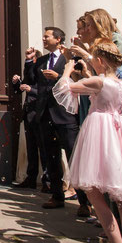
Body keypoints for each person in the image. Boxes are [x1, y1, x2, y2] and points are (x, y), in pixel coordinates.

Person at [58, 41, 122, 243]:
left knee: (94, 192)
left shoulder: (98, 81)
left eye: (94, 58)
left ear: (101, 60)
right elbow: (101, 91)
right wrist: (88, 72)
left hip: (100, 132)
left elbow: (64, 89)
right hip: (119, 133)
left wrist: (68, 69)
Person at [12, 27, 88, 212]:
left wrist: (58, 78)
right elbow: (30, 81)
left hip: (65, 115)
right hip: (45, 114)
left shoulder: (69, 60)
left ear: (58, 39)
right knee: (51, 156)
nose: (44, 40)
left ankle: (85, 202)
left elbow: (78, 83)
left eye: (47, 37)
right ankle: (56, 195)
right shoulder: (43, 60)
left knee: (73, 156)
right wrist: (29, 61)